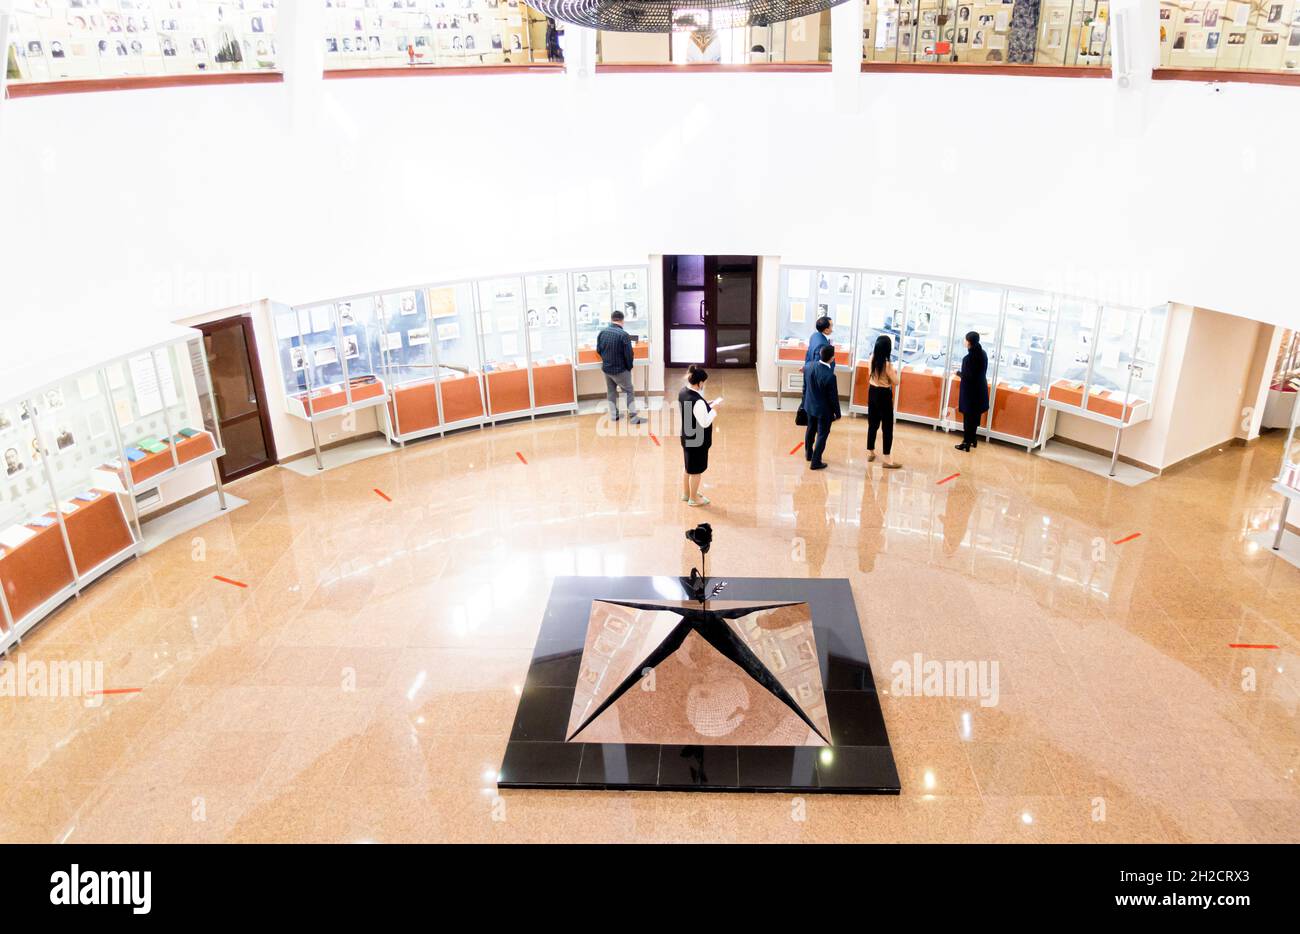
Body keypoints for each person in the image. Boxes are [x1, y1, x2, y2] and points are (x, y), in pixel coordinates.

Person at [679, 365, 719, 506]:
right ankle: (693, 499)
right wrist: (713, 410)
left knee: (687, 467)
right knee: (696, 471)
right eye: (704, 382)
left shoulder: (683, 392)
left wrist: (706, 405)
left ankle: (686, 494)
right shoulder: (698, 401)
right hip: (697, 440)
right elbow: (705, 422)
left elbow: (692, 411)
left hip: (686, 437)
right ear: (700, 382)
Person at [597, 309, 644, 424]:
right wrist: (629, 368)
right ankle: (633, 417)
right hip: (620, 370)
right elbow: (629, 355)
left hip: (607, 369)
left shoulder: (602, 333)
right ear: (622, 321)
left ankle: (614, 415)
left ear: (612, 319)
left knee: (611, 391)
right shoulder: (623, 335)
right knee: (629, 391)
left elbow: (598, 350)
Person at [865, 334, 901, 469]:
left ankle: (870, 451)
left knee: (872, 424)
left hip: (872, 391)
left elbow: (870, 374)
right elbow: (896, 382)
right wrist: (894, 373)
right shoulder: (887, 364)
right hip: (884, 395)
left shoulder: (871, 358)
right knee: (887, 427)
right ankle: (887, 459)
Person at [802, 344, 840, 471]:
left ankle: (808, 454)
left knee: (810, 429)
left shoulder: (808, 366)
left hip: (810, 405)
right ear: (832, 358)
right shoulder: (830, 376)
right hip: (824, 411)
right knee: (822, 435)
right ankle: (816, 461)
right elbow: (833, 397)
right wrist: (837, 413)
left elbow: (806, 386)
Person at [955, 330, 989, 452]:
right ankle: (973, 439)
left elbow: (968, 377)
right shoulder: (983, 354)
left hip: (970, 393)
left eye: (965, 339)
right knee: (975, 417)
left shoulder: (968, 359)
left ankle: (966, 442)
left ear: (969, 342)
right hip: (980, 391)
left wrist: (958, 373)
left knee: (968, 419)